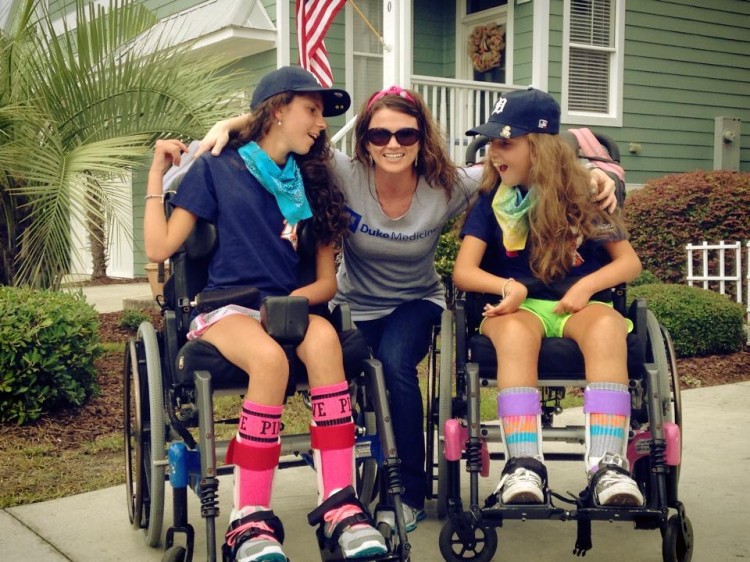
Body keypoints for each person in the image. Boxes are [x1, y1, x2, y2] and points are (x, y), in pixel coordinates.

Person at [197, 83, 619, 530]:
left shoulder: (447, 184)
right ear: (364, 142)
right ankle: (349, 486)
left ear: (423, 139)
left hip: (415, 301)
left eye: (406, 135)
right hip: (353, 302)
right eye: (379, 135)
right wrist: (234, 122)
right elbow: (286, 127)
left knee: (396, 366)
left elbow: (529, 156)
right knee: (351, 374)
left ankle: (410, 495)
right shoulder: (343, 172)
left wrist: (592, 171)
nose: (393, 144)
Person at [145, 66, 388, 562]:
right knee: (271, 363)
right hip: (225, 308)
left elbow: (325, 281)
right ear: (278, 110)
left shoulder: (314, 181)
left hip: (288, 307)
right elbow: (159, 245)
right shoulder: (217, 168)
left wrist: (284, 307)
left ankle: (340, 504)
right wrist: (154, 175)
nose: (321, 124)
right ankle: (248, 518)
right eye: (312, 110)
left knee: (323, 343)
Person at [452, 87, 644, 507]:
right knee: (516, 335)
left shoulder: (586, 196)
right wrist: (507, 287)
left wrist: (586, 286)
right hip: (516, 307)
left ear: (538, 148)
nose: (494, 154)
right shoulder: (491, 200)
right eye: (491, 145)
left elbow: (628, 264)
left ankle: (608, 466)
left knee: (609, 326)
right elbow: (464, 271)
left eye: (506, 143)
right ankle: (523, 465)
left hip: (578, 304)